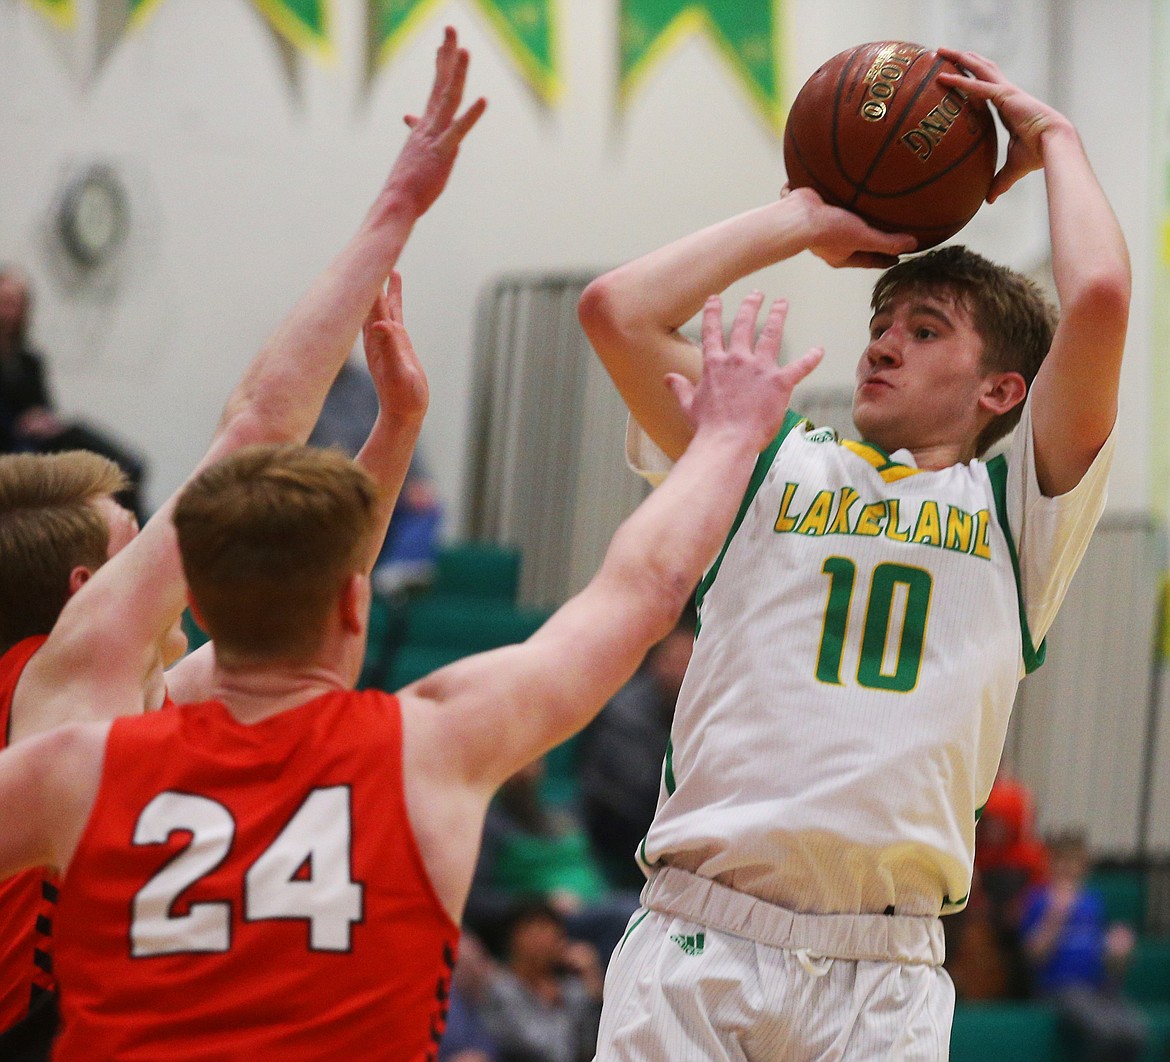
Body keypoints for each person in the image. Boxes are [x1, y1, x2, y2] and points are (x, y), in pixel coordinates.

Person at [0, 289, 819, 1058]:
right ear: (356, 606)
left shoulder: (80, 765)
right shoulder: (432, 746)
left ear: (202, 612)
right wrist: (726, 440)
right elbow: (643, 592)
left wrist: (395, 425)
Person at [578, 47, 1128, 1058]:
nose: (883, 343)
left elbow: (1095, 300)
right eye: (882, 322)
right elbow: (617, 310)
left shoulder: (1016, 510)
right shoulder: (757, 459)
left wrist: (1057, 140)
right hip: (704, 934)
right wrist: (804, 219)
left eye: (925, 331)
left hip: (890, 970)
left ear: (1003, 390)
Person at [0, 27, 484, 1059]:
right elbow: (257, 427)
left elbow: (307, 599)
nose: (169, 557)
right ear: (87, 591)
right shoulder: (71, 680)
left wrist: (395, 428)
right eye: (136, 543)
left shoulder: (111, 704)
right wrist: (395, 207)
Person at [0, 266, 147, 520]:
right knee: (75, 437)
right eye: (4, 302)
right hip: (13, 442)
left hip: (37, 439)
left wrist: (41, 420)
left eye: (14, 304)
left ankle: (125, 472)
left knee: (75, 431)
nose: (8, 311)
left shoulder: (29, 361)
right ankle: (124, 471)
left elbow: (45, 408)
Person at [579, 602, 695, 891]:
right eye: (676, 661)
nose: (681, 672)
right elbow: (632, 789)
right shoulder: (625, 712)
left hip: (668, 824)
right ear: (657, 662)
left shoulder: (700, 710)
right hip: (618, 826)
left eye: (689, 662)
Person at [1019, 831, 1148, 1061]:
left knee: (1134, 1033)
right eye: (1061, 861)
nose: (1068, 868)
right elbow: (1032, 956)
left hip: (1098, 988)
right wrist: (1054, 918)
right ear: (1050, 864)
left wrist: (1116, 950)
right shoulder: (1038, 899)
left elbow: (1108, 962)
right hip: (1060, 988)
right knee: (1105, 1033)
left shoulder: (1092, 901)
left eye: (1074, 861)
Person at [475, 900, 605, 1062]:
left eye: (553, 931)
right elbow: (552, 1052)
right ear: (514, 938)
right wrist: (557, 1005)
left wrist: (594, 989)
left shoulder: (572, 987)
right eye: (537, 930)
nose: (547, 939)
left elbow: (597, 1047)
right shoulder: (499, 989)